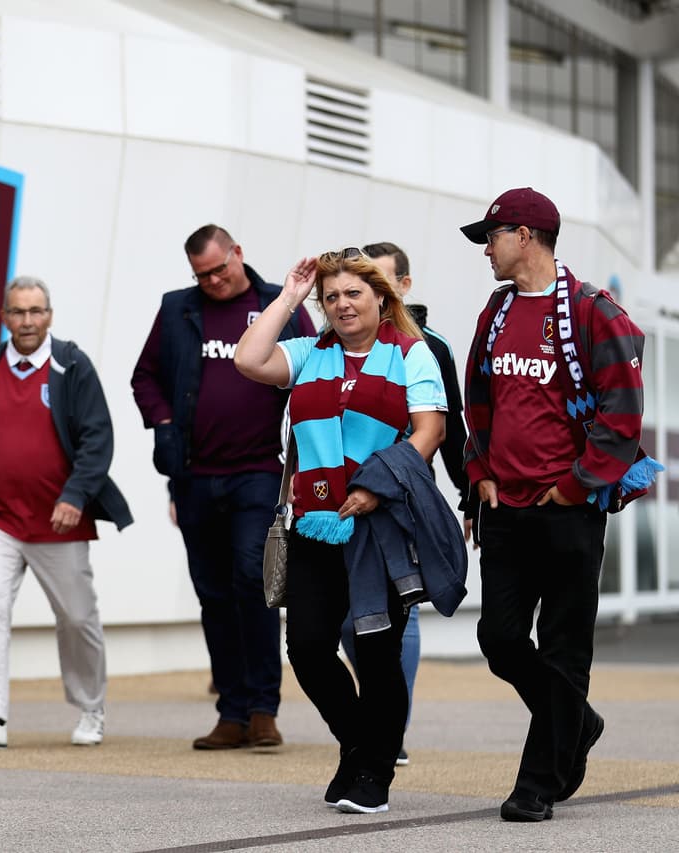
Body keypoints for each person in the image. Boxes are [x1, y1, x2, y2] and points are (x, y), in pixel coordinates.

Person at [233, 248, 466, 814]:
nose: (341, 305)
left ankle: (374, 775)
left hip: (381, 527)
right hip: (314, 524)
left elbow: (429, 431)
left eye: (353, 294)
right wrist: (289, 296)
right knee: (309, 649)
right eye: (331, 296)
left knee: (377, 653)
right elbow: (247, 359)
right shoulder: (307, 352)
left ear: (381, 299)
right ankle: (361, 744)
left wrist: (376, 484)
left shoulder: (413, 354)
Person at [459, 188, 656, 822]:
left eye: (492, 236)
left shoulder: (597, 313)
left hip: (569, 507)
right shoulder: (495, 313)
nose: (485, 249)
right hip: (506, 505)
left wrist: (576, 484)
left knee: (565, 644)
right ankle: (579, 721)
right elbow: (479, 402)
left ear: (526, 236)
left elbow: (622, 414)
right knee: (500, 637)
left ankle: (537, 784)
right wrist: (479, 471)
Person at [131, 224, 315, 751]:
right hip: (194, 476)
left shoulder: (276, 306)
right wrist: (163, 424)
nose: (212, 280)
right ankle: (230, 712)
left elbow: (308, 369)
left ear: (238, 253)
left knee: (252, 583)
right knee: (212, 593)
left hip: (258, 473)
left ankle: (263, 710)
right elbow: (144, 377)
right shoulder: (176, 309)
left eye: (219, 268)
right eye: (201, 274)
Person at [0, 276, 132, 750]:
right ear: (4, 317)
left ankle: (91, 708)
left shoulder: (71, 365)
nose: (27, 321)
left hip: (58, 520)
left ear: (49, 315)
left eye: (35, 311)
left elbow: (97, 438)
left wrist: (74, 496)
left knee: (77, 618)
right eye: (17, 312)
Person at [335, 241, 472, 766]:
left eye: (377, 283)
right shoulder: (332, 345)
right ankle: (380, 713)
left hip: (401, 496)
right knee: (349, 622)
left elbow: (448, 426)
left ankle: (394, 729)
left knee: (397, 613)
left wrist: (466, 497)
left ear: (401, 287)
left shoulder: (427, 347)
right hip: (338, 502)